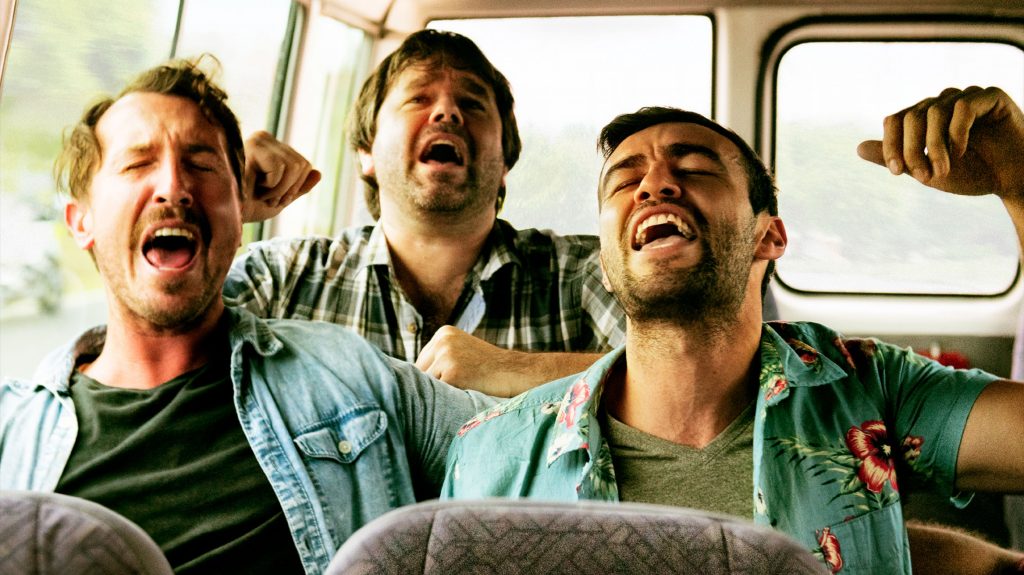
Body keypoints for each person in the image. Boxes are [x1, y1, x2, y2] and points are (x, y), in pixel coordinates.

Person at [441, 86, 1024, 573]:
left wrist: (1019, 181)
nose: (655, 185)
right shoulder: (492, 454)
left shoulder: (867, 388)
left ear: (768, 236)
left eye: (694, 167)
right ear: (608, 269)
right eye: (624, 181)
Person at [0, 57, 492, 575]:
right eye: (138, 163)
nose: (173, 185)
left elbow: (537, 451)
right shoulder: (12, 432)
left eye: (202, 163)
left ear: (244, 215)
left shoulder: (350, 375)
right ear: (82, 223)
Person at [223, 29, 625, 397]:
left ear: (505, 162)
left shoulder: (583, 274)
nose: (448, 112)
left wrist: (512, 368)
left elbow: (681, 376)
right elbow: (164, 353)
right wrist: (222, 200)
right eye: (418, 98)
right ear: (367, 152)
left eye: (471, 102)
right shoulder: (282, 277)